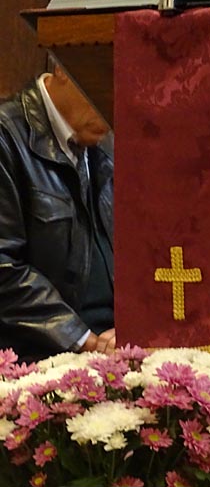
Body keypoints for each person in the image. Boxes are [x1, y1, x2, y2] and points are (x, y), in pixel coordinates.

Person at [0, 66, 115, 362]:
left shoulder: (105, 138)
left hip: (112, 344)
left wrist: (130, 329)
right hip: (39, 354)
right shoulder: (6, 136)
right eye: (106, 92)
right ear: (63, 68)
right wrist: (84, 340)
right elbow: (3, 267)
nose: (113, 111)